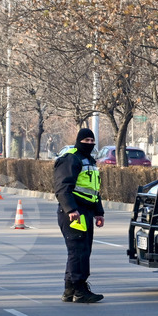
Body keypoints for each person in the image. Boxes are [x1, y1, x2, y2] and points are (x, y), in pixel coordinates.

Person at [54, 128, 105, 303]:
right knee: (78, 252)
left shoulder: (89, 160)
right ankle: (80, 289)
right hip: (74, 213)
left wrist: (99, 212)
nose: (90, 144)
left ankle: (69, 290)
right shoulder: (71, 158)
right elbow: (62, 188)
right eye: (87, 141)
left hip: (86, 212)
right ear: (79, 140)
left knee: (81, 251)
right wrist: (71, 210)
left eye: (92, 141)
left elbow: (94, 190)